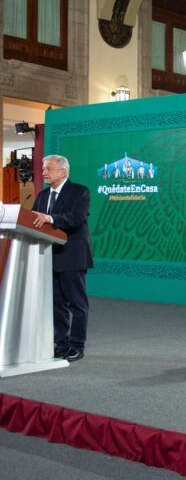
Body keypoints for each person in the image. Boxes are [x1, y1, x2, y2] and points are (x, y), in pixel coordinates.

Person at [31, 155, 94, 362]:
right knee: (56, 304)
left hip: (72, 256)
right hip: (48, 256)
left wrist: (50, 218)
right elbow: (32, 220)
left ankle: (76, 345)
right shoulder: (41, 196)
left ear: (63, 172)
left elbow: (76, 217)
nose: (43, 172)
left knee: (76, 303)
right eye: (43, 169)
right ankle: (61, 343)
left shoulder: (80, 191)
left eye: (48, 169)